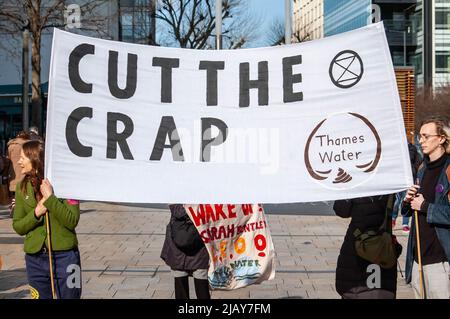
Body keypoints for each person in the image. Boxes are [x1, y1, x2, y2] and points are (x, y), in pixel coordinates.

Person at [12, 140, 82, 299]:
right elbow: (18, 226)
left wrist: (50, 199)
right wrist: (37, 212)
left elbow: (72, 220)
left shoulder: (67, 183)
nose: (19, 162)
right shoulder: (21, 187)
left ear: (35, 159)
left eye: (23, 158)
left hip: (66, 256)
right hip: (35, 259)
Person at [402, 115, 450, 299]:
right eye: (420, 136)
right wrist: (407, 201)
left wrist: (425, 206)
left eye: (426, 136)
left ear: (441, 139)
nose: (421, 140)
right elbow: (410, 210)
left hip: (440, 260)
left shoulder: (448, 169)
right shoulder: (422, 169)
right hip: (418, 260)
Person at [333, 195, 399, 299]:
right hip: (382, 245)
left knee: (354, 287)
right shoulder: (389, 184)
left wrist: (346, 189)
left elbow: (341, 210)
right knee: (380, 288)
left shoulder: (357, 183)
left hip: (357, 243)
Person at [160, 204, 210, 299]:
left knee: (195, 287)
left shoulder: (176, 196)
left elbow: (177, 211)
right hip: (195, 249)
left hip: (184, 250)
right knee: (200, 288)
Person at [392, 142, 422, 233]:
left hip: (409, 178)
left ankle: (405, 223)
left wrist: (414, 171)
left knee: (407, 200)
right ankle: (393, 218)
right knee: (396, 201)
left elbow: (418, 161)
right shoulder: (395, 148)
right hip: (397, 178)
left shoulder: (412, 149)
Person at [7, 131, 30, 217]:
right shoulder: (27, 145)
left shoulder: (11, 146)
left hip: (13, 171)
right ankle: (21, 208)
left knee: (14, 190)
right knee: (24, 189)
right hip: (24, 169)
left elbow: (8, 159)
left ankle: (14, 205)